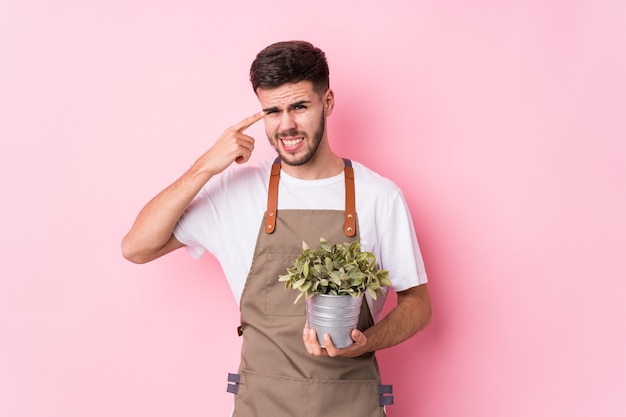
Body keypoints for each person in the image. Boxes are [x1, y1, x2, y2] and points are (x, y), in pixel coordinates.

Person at [122, 40, 431, 417]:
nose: (286, 125)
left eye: (299, 106)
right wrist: (205, 166)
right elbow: (137, 247)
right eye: (272, 110)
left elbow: (418, 304)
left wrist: (364, 342)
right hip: (261, 405)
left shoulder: (378, 197)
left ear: (328, 102)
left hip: (350, 405)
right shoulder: (236, 193)